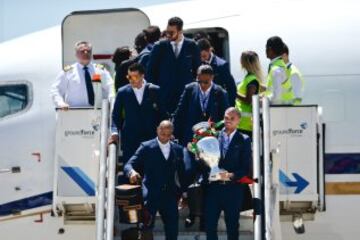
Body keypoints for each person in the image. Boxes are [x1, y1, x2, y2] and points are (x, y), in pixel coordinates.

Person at [124, 120, 187, 240]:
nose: (165, 137)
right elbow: (128, 165)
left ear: (171, 134)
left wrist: (184, 194)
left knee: (173, 231)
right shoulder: (146, 147)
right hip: (150, 195)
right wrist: (132, 172)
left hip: (170, 195)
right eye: (162, 133)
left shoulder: (178, 149)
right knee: (146, 230)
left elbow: (182, 174)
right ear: (157, 130)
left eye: (168, 135)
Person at [204, 107, 251, 240]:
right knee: (210, 226)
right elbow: (206, 161)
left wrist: (231, 175)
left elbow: (245, 169)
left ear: (238, 121)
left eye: (232, 118)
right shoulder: (213, 136)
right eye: (226, 118)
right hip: (214, 189)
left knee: (232, 227)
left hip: (233, 190)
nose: (228, 121)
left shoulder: (244, 139)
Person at [109, 63, 164, 164]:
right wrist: (114, 132)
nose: (131, 80)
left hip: (151, 139)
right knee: (130, 171)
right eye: (129, 77)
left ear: (142, 75)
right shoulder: (122, 92)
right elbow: (116, 116)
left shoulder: (154, 90)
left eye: (135, 76)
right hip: (130, 140)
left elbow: (162, 114)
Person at [147, 16, 201, 116]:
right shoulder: (159, 46)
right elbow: (150, 72)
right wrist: (155, 94)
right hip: (164, 99)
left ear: (180, 31)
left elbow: (197, 71)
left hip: (185, 98)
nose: (168, 35)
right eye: (167, 32)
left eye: (171, 32)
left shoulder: (192, 46)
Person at [173, 65, 229, 146]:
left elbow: (224, 119)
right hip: (191, 139)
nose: (202, 85)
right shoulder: (189, 89)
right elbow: (180, 112)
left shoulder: (221, 93)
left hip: (211, 140)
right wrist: (173, 132)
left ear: (212, 77)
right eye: (199, 81)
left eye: (206, 82)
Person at [50, 41, 114, 109]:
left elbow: (110, 87)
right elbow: (56, 89)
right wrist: (60, 103)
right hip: (75, 112)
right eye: (82, 51)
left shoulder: (100, 70)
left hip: (97, 112)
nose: (86, 53)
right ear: (76, 54)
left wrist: (112, 102)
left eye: (88, 51)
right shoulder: (68, 72)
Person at [197, 38, 237, 106]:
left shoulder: (221, 65)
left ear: (209, 50)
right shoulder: (197, 64)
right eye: (200, 56)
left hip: (217, 106)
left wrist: (229, 107)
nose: (202, 59)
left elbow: (231, 88)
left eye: (204, 56)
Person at [235, 51, 264, 138]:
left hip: (245, 124)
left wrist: (234, 93)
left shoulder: (251, 80)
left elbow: (248, 100)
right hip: (242, 123)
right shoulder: (249, 78)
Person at [265, 36, 289, 104]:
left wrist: (264, 100)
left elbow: (276, 97)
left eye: (266, 48)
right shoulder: (279, 65)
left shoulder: (276, 69)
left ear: (270, 49)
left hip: (276, 111)